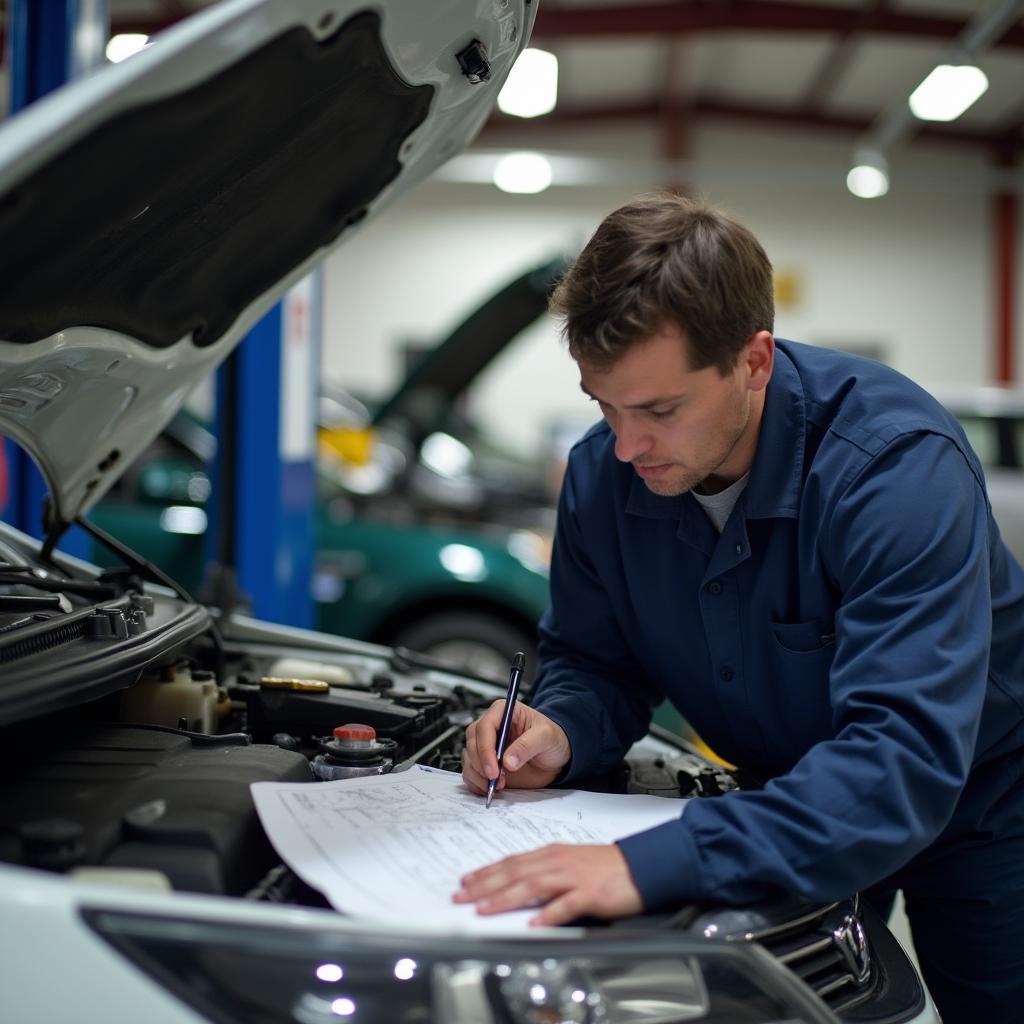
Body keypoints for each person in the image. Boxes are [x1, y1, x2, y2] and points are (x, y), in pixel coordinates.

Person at [454, 192, 1024, 1022]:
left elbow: (900, 758)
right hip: (787, 799)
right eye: (602, 404)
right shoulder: (601, 476)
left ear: (753, 362)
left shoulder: (896, 470)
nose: (625, 446)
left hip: (977, 808)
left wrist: (650, 863)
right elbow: (594, 662)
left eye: (658, 410)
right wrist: (561, 730)